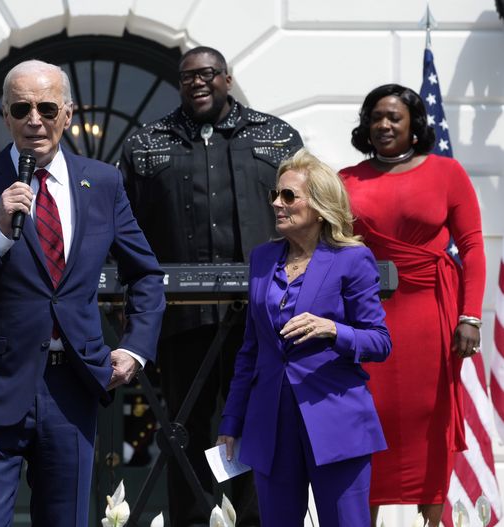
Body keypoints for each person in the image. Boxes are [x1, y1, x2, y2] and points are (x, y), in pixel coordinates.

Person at [0, 60, 165, 527]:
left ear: (68, 113)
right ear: (6, 117)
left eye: (46, 107)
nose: (34, 119)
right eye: (21, 108)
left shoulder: (103, 183)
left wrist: (135, 348)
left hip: (73, 384)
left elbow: (146, 274)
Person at [121, 45, 302, 526]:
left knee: (259, 426)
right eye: (186, 77)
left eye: (205, 74)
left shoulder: (277, 137)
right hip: (181, 319)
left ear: (226, 77)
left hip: (265, 317)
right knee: (185, 430)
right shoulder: (146, 144)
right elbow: (125, 229)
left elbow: (308, 217)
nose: (196, 83)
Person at [216, 148, 391, 527]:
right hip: (270, 424)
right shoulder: (262, 259)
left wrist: (333, 330)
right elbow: (251, 349)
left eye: (289, 196)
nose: (277, 203)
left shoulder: (352, 259)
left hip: (335, 420)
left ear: (320, 205)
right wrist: (232, 420)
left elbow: (379, 341)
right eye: (275, 195)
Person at [340, 84, 485, 527]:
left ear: (414, 125)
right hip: (366, 316)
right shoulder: (346, 180)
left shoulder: (447, 172)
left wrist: (470, 316)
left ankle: (431, 519)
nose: (383, 125)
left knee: (428, 416)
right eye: (376, 117)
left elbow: (473, 247)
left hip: (429, 314)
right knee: (368, 415)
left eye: (394, 117)